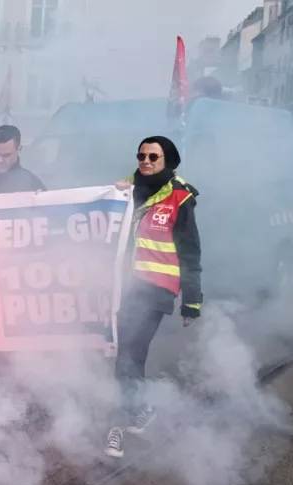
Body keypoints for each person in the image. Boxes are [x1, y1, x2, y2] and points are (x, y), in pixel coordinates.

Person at [104, 136, 202, 459]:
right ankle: (141, 409)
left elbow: (190, 253)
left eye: (153, 157)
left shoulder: (180, 198)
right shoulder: (129, 190)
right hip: (128, 289)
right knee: (132, 355)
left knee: (126, 354)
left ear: (168, 162)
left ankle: (115, 427)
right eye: (141, 156)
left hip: (158, 292)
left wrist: (192, 302)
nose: (145, 161)